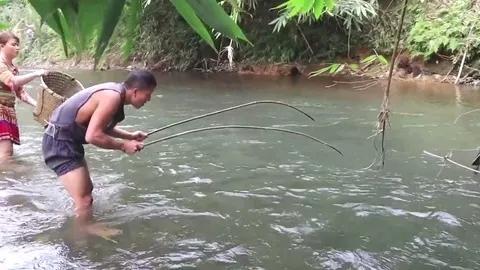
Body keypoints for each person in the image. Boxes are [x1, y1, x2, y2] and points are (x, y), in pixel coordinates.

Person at [42, 69, 157, 237]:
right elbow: (93, 135)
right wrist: (124, 146)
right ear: (136, 91)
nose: (149, 99)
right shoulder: (112, 97)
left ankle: (84, 223)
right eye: (148, 94)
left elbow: (101, 126)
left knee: (86, 191)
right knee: (84, 199)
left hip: (66, 141)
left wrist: (130, 136)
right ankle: (83, 231)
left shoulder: (115, 93)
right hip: (59, 142)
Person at [0, 31, 46, 161]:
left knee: (7, 152)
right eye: (13, 44)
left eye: (18, 45)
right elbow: (12, 81)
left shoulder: (13, 68)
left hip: (7, 111)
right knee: (6, 153)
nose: (17, 48)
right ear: (1, 46)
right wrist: (36, 73)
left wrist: (38, 106)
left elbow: (21, 94)